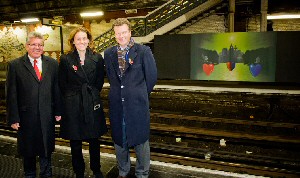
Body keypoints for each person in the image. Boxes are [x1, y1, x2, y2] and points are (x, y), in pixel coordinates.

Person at [104, 18, 157, 178]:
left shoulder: (143, 51)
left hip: (137, 105)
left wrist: (138, 94)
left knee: (141, 141)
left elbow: (152, 77)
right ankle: (123, 170)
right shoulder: (109, 53)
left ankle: (142, 172)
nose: (121, 36)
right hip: (117, 106)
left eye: (124, 32)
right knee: (120, 141)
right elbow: (112, 78)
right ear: (114, 34)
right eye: (118, 33)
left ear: (130, 32)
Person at [6, 31, 62, 178]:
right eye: (33, 44)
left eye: (40, 45)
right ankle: (29, 174)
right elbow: (11, 94)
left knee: (46, 148)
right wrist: (13, 118)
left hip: (47, 115)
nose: (37, 47)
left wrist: (58, 111)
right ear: (27, 46)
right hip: (26, 117)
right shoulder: (15, 65)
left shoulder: (53, 64)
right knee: (28, 150)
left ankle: (46, 174)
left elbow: (56, 89)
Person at [58, 26, 107, 178]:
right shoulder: (66, 59)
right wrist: (72, 98)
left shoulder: (97, 58)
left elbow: (99, 82)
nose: (82, 41)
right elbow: (62, 84)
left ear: (89, 40)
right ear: (73, 41)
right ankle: (79, 171)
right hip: (73, 104)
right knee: (75, 140)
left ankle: (96, 169)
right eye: (78, 39)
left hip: (91, 101)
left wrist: (90, 95)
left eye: (84, 38)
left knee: (94, 139)